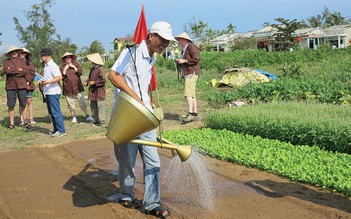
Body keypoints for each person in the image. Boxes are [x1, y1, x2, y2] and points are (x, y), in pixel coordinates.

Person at [108, 21, 175, 218]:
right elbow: (113, 75)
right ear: (152, 36)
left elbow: (144, 84)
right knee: (127, 157)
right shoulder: (131, 53)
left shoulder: (152, 58)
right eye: (162, 40)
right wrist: (136, 100)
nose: (165, 44)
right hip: (127, 114)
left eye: (168, 42)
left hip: (145, 115)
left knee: (152, 159)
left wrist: (149, 101)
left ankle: (152, 202)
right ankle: (126, 193)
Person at [39, 48, 66, 137]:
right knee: (51, 112)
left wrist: (49, 82)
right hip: (48, 91)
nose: (41, 57)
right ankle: (56, 129)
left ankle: (61, 130)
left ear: (47, 56)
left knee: (55, 112)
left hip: (53, 92)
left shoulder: (53, 66)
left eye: (42, 56)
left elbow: (59, 77)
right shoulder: (46, 66)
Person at [60, 52, 93, 123]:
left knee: (82, 102)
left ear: (71, 58)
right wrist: (65, 68)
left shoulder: (76, 65)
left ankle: (87, 115)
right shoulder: (62, 67)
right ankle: (74, 116)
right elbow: (61, 76)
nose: (68, 59)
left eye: (69, 57)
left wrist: (74, 67)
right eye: (66, 58)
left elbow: (80, 73)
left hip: (77, 87)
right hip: (67, 88)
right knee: (70, 103)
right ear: (64, 59)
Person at [175, 32, 201, 123]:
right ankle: (194, 113)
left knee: (188, 93)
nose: (179, 42)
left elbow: (196, 59)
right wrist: (180, 62)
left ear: (185, 39)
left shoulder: (191, 46)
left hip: (191, 72)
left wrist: (184, 60)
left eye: (180, 40)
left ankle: (190, 113)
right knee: (192, 93)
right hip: (189, 72)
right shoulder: (186, 48)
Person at [3, 46, 28, 129]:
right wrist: (18, 70)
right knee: (11, 105)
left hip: (22, 85)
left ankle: (24, 122)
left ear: (18, 52)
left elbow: (25, 71)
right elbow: (7, 71)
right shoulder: (6, 62)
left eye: (16, 51)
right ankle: (11, 124)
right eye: (12, 52)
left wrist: (13, 70)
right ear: (9, 53)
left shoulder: (22, 60)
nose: (14, 53)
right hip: (10, 86)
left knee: (23, 104)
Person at [84, 53, 106, 126]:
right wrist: (86, 82)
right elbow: (90, 78)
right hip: (93, 90)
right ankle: (96, 120)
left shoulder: (100, 69)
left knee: (100, 105)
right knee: (93, 105)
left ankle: (102, 121)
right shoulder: (92, 68)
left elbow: (103, 80)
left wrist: (95, 82)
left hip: (99, 91)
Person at [19, 47, 36, 127]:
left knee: (29, 101)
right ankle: (22, 119)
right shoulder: (17, 63)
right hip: (20, 85)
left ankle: (31, 118)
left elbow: (33, 73)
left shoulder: (30, 63)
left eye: (22, 53)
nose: (21, 54)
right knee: (22, 102)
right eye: (20, 53)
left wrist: (28, 82)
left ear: (26, 54)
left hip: (29, 84)